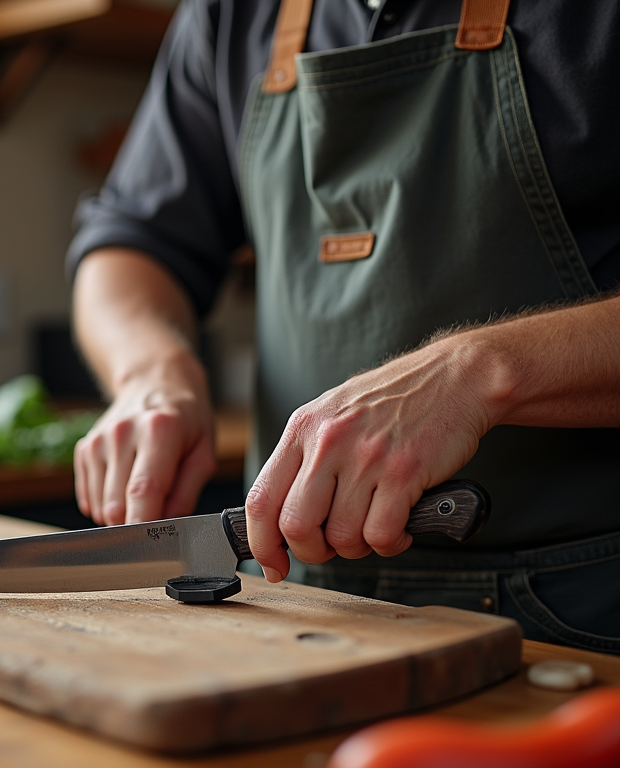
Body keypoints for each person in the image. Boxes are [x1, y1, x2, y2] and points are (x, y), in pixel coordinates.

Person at [65, 0, 620, 652]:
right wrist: (151, 374)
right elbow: (134, 238)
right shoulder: (229, 15)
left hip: (579, 618)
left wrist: (474, 372)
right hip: (296, 602)